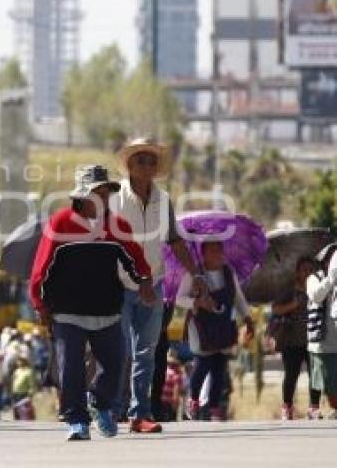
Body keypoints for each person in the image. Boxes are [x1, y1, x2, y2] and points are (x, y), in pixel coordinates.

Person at [30, 165, 154, 441]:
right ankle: (76, 420)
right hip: (67, 312)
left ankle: (101, 404)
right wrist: (40, 304)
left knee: (115, 363)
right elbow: (41, 268)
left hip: (107, 310)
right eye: (98, 192)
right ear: (83, 196)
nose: (104, 197)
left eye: (106, 192)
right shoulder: (60, 224)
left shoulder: (118, 226)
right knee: (71, 366)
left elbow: (135, 258)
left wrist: (144, 280)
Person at [111, 137, 198, 434]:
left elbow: (175, 240)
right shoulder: (114, 199)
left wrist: (195, 274)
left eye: (151, 161)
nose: (147, 166)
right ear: (129, 166)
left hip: (155, 284)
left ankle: (140, 414)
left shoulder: (164, 201)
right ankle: (109, 409)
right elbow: (107, 243)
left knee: (146, 352)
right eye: (140, 160)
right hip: (119, 285)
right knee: (118, 351)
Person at [176, 240, 254, 422]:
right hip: (201, 327)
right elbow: (180, 298)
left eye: (220, 249)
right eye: (213, 250)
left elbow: (238, 298)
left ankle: (214, 408)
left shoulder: (228, 272)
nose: (218, 253)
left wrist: (248, 319)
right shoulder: (194, 274)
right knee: (203, 363)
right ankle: (193, 399)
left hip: (223, 324)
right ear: (203, 253)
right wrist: (197, 302)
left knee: (219, 365)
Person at [272, 256, 322, 420]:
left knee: (315, 375)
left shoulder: (318, 290)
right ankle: (287, 407)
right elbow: (276, 309)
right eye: (304, 270)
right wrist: (292, 305)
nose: (308, 273)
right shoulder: (289, 291)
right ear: (298, 272)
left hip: (313, 340)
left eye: (311, 270)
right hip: (291, 340)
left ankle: (314, 408)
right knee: (291, 375)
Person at [307, 246, 337, 417]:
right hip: (323, 340)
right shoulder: (313, 278)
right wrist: (331, 279)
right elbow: (317, 296)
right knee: (328, 380)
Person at [159, 350, 185, 422]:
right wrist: (175, 402)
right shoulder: (177, 373)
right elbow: (177, 389)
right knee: (170, 419)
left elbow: (176, 389)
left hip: (162, 399)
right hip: (169, 401)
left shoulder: (162, 371)